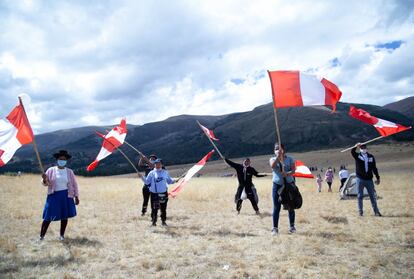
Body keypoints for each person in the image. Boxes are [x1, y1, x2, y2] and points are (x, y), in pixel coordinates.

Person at [40, 150, 79, 241]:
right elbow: (46, 183)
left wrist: (76, 196)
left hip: (66, 196)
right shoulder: (51, 170)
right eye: (60, 159)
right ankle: (41, 236)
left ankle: (61, 235)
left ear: (66, 161)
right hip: (54, 195)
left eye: (64, 159)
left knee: (64, 216)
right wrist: (44, 179)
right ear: (57, 160)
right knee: (48, 216)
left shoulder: (69, 172)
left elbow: (74, 184)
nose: (62, 161)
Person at [269, 144, 296, 235]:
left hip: (289, 185)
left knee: (290, 205)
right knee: (277, 206)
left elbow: (293, 170)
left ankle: (292, 227)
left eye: (279, 149)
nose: (278, 150)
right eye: (276, 149)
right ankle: (275, 228)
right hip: (277, 185)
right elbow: (272, 166)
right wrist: (278, 157)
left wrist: (287, 174)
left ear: (284, 149)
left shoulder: (290, 159)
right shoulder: (272, 159)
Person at [351, 143, 381, 216]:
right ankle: (360, 212)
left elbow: (374, 168)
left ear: (366, 148)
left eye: (365, 147)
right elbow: (352, 152)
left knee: (372, 196)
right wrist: (355, 146)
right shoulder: (358, 156)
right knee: (360, 196)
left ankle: (376, 212)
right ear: (360, 149)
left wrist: (377, 177)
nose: (364, 148)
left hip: (369, 180)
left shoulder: (371, 157)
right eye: (362, 147)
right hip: (360, 179)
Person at [144, 158, 176, 226]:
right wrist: (141, 177)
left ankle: (163, 221)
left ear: (162, 164)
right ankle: (154, 222)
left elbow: (169, 181)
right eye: (156, 164)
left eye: (159, 164)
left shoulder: (165, 172)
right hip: (154, 194)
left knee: (163, 208)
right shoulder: (151, 173)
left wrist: (175, 180)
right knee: (154, 209)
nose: (157, 165)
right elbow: (147, 182)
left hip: (163, 193)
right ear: (154, 164)